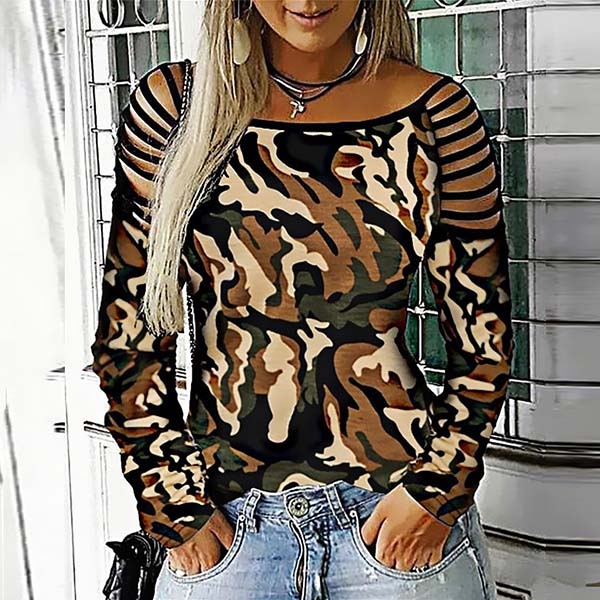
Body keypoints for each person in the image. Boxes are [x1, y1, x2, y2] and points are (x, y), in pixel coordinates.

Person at [90, 1, 514, 598]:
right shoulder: (177, 106)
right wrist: (171, 505)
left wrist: (439, 492)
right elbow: (128, 327)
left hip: (398, 523)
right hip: (225, 529)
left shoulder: (437, 114)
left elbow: (483, 332)